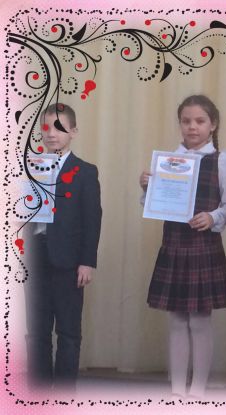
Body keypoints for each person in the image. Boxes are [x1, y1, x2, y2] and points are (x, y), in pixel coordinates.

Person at [139, 95, 226, 398]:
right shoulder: (168, 160)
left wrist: (213, 216)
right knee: (177, 320)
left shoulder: (221, 161)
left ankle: (198, 388)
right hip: (173, 246)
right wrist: (146, 188)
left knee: (200, 320)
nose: (192, 127)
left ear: (213, 125)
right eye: (186, 121)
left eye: (199, 121)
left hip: (203, 248)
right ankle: (176, 389)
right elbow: (152, 204)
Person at [25, 103, 102, 392]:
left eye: (59, 127)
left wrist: (87, 261)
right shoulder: (30, 167)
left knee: (68, 332)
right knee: (37, 332)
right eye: (46, 127)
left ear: (73, 131)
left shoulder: (85, 171)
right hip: (34, 257)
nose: (51, 133)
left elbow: (92, 219)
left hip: (68, 260)